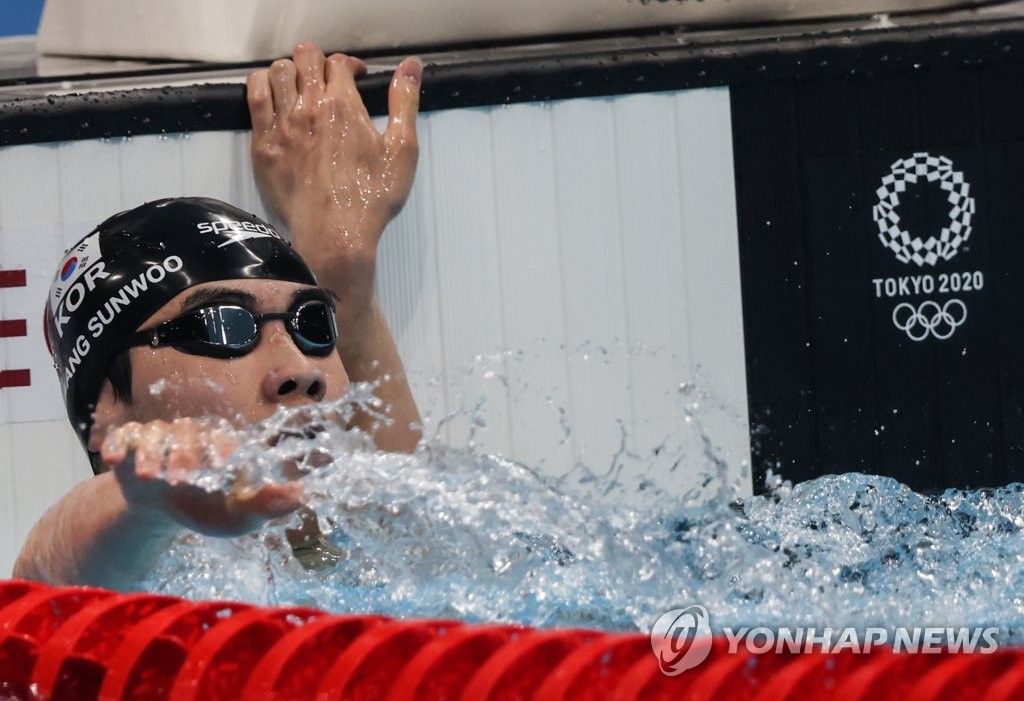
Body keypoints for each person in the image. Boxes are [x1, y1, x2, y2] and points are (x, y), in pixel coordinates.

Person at [12, 43, 424, 589]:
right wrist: (149, 496)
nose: (302, 368)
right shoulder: (110, 597)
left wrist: (344, 263)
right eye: (223, 327)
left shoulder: (376, 568)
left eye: (314, 325)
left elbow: (409, 518)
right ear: (105, 406)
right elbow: (44, 578)